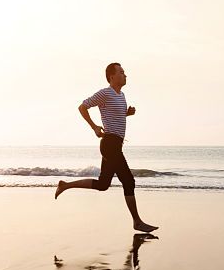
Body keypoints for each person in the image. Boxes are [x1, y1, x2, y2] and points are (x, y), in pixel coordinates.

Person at [55, 62, 159, 233]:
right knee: (128, 181)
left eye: (124, 72)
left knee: (103, 184)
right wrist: (94, 127)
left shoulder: (122, 95)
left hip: (115, 144)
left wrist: (127, 113)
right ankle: (137, 222)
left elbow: (115, 114)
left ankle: (65, 185)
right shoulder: (105, 93)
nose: (125, 75)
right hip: (110, 144)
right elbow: (83, 107)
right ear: (112, 76)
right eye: (122, 72)